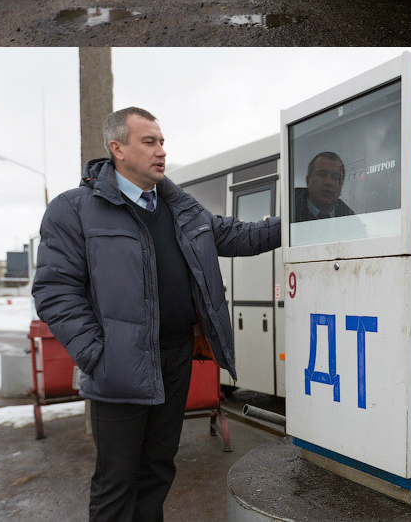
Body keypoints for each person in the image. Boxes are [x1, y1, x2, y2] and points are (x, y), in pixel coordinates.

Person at [32, 107, 280, 522]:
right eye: (149, 142)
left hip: (175, 358)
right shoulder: (73, 209)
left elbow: (240, 235)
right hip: (118, 366)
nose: (161, 151)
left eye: (162, 142)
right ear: (118, 149)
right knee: (117, 481)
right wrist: (97, 355)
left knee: (159, 471)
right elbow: (54, 290)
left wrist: (298, 219)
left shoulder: (180, 208)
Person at [294, 151, 355, 221]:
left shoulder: (352, 221)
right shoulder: (287, 213)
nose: (328, 182)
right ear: (308, 180)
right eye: (321, 174)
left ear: (341, 184)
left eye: (335, 177)